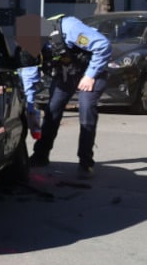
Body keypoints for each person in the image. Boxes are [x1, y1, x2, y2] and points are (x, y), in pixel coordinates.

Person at [29, 14, 112, 177]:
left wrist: (90, 76)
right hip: (67, 73)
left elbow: (103, 46)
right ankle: (40, 156)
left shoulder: (69, 29)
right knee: (52, 110)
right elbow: (30, 69)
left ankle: (85, 163)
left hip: (91, 71)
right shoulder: (35, 42)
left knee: (86, 110)